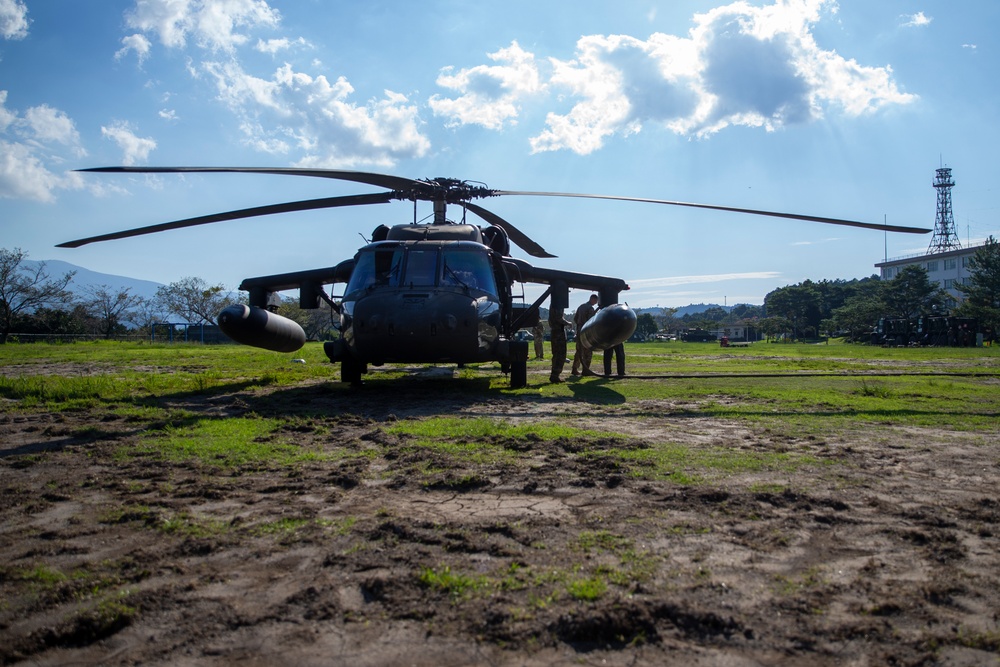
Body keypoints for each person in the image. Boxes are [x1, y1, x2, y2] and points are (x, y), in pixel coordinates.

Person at [571, 294, 599, 376]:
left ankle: (574, 368)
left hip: (579, 330)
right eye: (596, 301)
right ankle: (586, 370)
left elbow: (575, 319)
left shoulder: (581, 307)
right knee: (588, 352)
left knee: (579, 351)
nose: (596, 303)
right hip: (586, 331)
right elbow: (591, 320)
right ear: (592, 299)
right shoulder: (590, 308)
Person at [548, 305, 571, 383]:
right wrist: (568, 323)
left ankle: (554, 375)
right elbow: (559, 318)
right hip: (558, 332)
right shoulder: (558, 304)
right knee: (560, 354)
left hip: (555, 332)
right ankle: (555, 375)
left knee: (556, 354)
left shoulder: (553, 304)